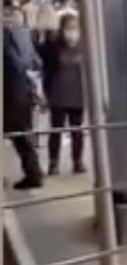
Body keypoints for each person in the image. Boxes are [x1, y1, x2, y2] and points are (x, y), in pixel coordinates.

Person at [39, 13, 88, 175]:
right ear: (61, 30)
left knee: (77, 130)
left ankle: (77, 161)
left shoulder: (85, 47)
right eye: (68, 29)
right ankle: (54, 163)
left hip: (78, 94)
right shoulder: (53, 47)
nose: (71, 33)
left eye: (74, 29)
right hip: (58, 95)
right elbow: (43, 64)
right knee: (56, 130)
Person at [4, 22, 43, 189]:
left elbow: (13, 63)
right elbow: (36, 62)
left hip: (10, 93)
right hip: (23, 91)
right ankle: (34, 173)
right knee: (22, 135)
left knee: (20, 136)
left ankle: (34, 174)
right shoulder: (22, 32)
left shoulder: (5, 36)